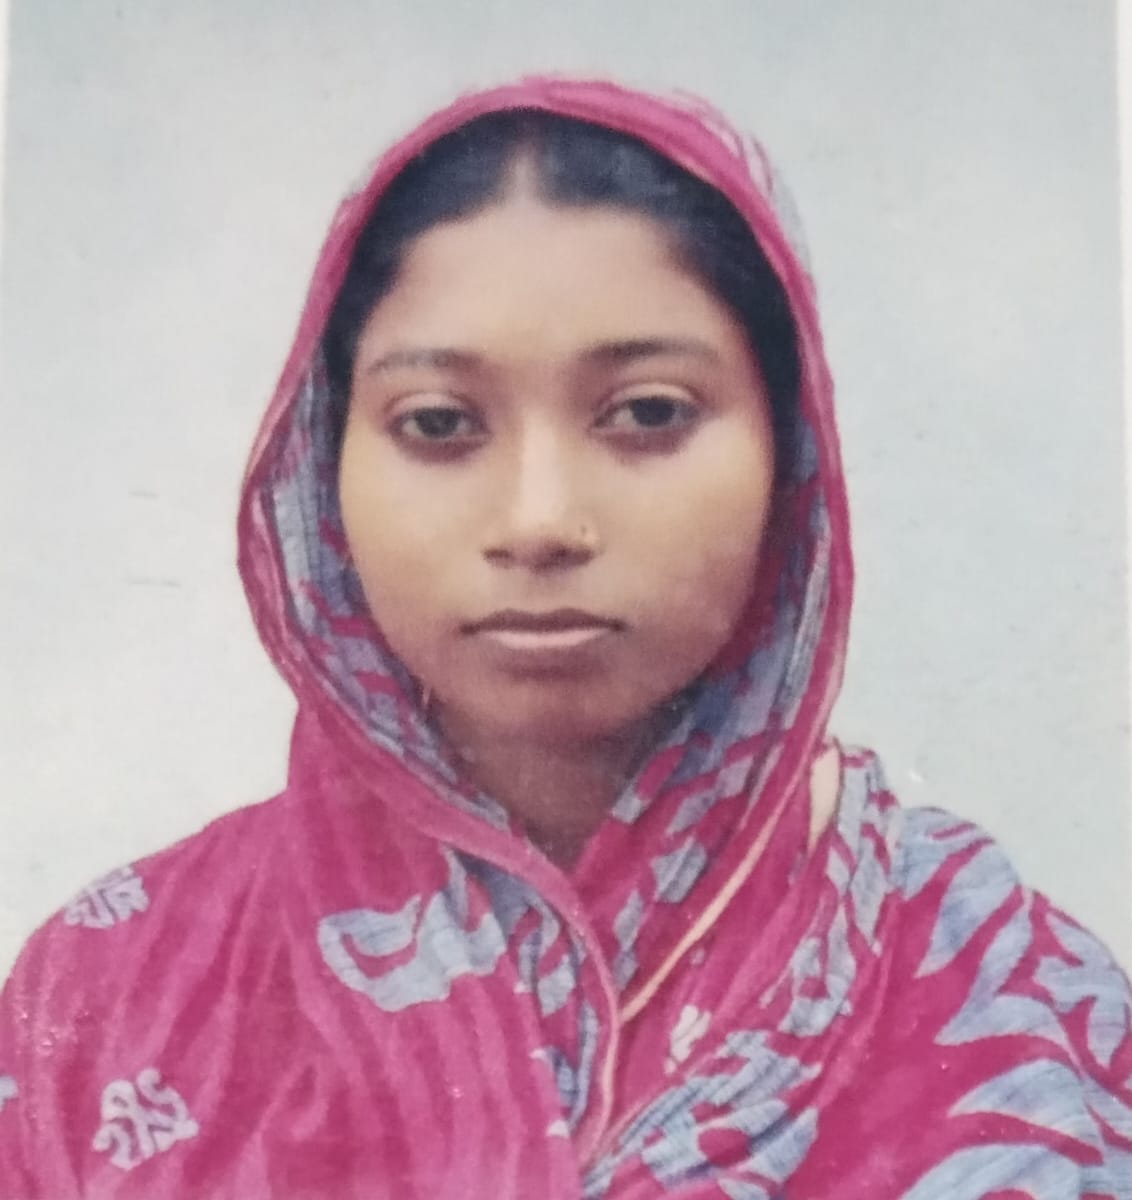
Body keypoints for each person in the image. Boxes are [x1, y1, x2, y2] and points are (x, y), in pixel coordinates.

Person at [1, 75, 1129, 1200]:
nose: (539, 521)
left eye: (647, 413)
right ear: (326, 463)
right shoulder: (112, 990)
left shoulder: (1007, 987)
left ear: (788, 455)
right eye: (438, 424)